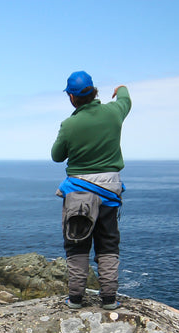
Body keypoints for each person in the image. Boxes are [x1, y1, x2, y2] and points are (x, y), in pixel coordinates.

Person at [51, 70, 131, 310]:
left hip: (78, 194)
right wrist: (122, 89)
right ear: (94, 91)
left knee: (77, 244)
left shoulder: (70, 124)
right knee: (107, 244)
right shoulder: (114, 113)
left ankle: (75, 299)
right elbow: (125, 100)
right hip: (109, 191)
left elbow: (57, 156)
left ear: (72, 98)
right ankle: (109, 299)